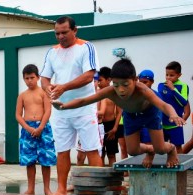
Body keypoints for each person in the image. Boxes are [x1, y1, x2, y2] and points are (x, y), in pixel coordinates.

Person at [52, 58, 184, 168]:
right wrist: (64, 106)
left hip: (150, 113)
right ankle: (150, 150)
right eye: (116, 85)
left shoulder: (143, 90)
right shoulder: (110, 91)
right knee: (132, 151)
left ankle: (171, 149)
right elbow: (85, 100)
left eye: (125, 85)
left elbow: (163, 105)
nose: (121, 90)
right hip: (131, 115)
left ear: (135, 79)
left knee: (160, 149)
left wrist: (173, 115)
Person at [40, 16, 102, 195]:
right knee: (62, 150)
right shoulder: (52, 52)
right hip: (60, 109)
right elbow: (44, 78)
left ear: (75, 30)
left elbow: (89, 75)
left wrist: (64, 87)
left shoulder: (86, 47)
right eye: (57, 33)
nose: (60, 36)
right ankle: (60, 190)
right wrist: (48, 88)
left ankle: (96, 191)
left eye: (64, 32)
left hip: (84, 107)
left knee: (91, 149)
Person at [15, 64, 56, 195]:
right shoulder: (22, 96)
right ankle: (31, 188)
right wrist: (27, 127)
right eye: (27, 78)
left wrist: (41, 127)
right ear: (23, 79)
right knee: (29, 160)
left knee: (46, 159)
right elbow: (17, 115)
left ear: (38, 77)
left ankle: (47, 189)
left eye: (32, 77)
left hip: (43, 128)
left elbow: (48, 110)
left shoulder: (44, 93)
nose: (29, 81)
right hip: (28, 129)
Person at [158, 61, 189, 153]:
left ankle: (179, 166)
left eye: (171, 75)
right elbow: (159, 102)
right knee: (161, 147)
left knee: (177, 147)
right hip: (162, 123)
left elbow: (183, 102)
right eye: (166, 75)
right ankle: (163, 165)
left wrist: (173, 89)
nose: (168, 77)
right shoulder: (161, 85)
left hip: (175, 124)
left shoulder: (183, 86)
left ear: (179, 75)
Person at [97, 66, 122, 166]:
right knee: (100, 153)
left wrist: (115, 128)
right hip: (99, 126)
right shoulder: (97, 93)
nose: (98, 83)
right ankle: (101, 176)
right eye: (97, 80)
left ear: (109, 80)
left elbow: (119, 112)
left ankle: (113, 176)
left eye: (100, 80)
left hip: (111, 126)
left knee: (111, 154)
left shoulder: (114, 93)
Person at [138, 70, 157, 145]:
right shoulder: (134, 94)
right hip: (136, 126)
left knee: (149, 147)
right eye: (141, 82)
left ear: (152, 82)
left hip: (149, 126)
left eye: (145, 82)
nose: (143, 84)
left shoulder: (155, 95)